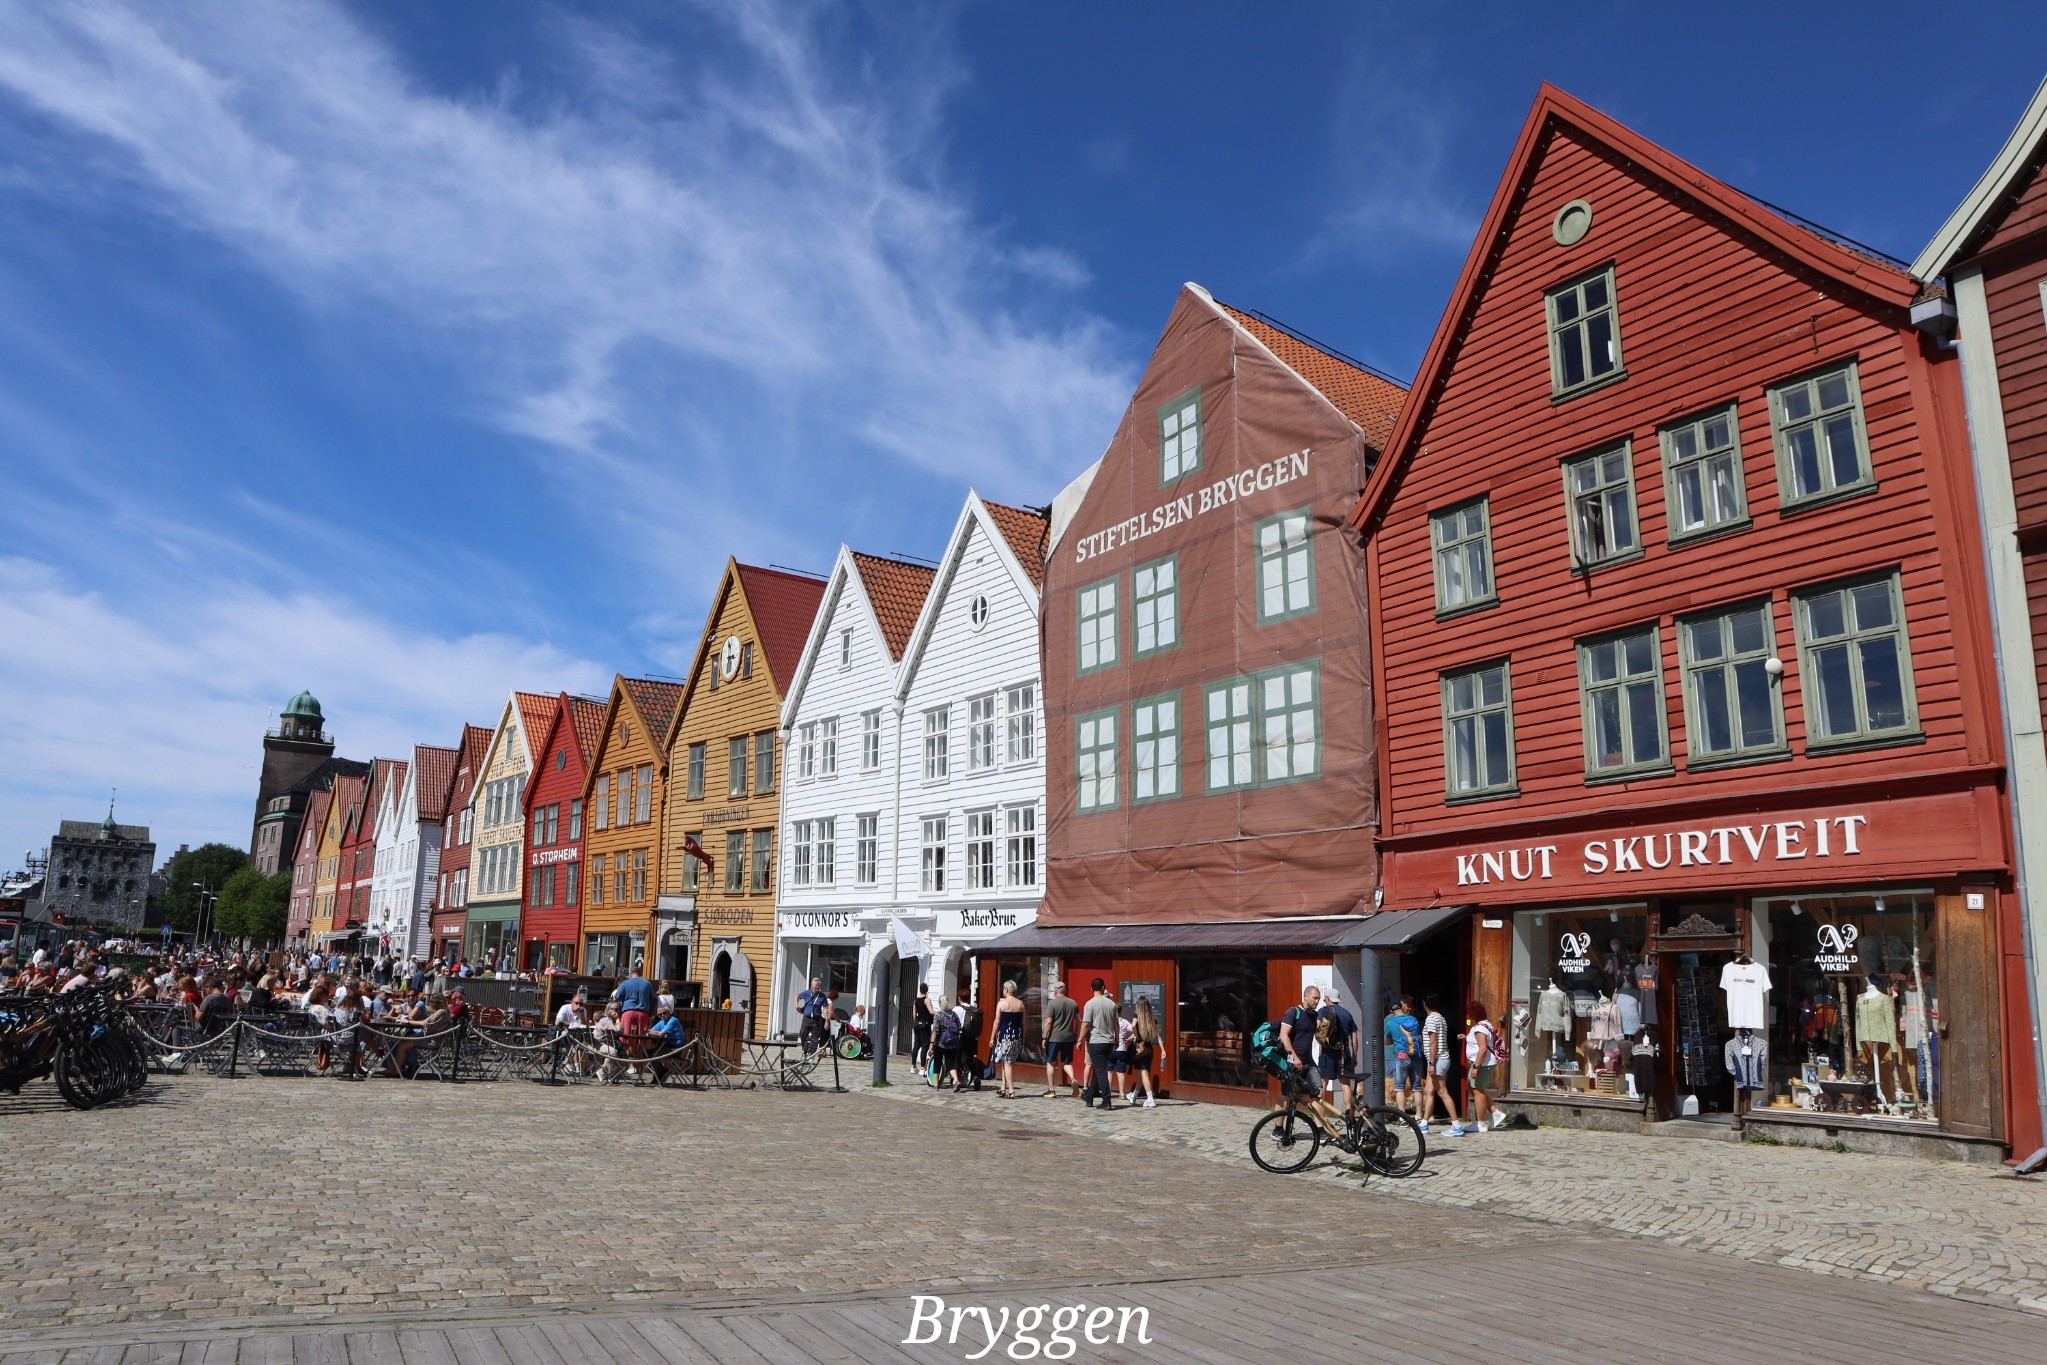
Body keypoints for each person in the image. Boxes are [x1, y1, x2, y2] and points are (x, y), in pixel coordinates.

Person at [1279, 986, 1335, 1121]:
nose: (1317, 1001)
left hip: (1308, 1061)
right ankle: (1278, 1128)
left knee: (1319, 1092)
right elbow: (1283, 1035)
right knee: (1287, 1095)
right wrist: (1294, 1057)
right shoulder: (1293, 1012)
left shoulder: (1314, 1015)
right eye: (1314, 998)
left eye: (1319, 999)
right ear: (1305, 996)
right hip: (1292, 1061)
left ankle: (1319, 1128)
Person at [1418, 993, 1465, 1136]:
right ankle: (1424, 1124)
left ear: (1424, 1004)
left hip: (1437, 1060)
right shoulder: (1441, 1018)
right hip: (1438, 1059)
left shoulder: (1431, 1019)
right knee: (1429, 1091)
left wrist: (1432, 1064)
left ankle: (1456, 1125)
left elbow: (1433, 1042)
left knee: (1442, 1092)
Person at [1464, 1001, 1506, 1131]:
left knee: (1478, 1091)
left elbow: (1483, 1048)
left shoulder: (1480, 1028)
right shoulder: (1485, 1025)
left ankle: (1480, 1123)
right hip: (1483, 1063)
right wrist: (1466, 1038)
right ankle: (1495, 1112)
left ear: (1473, 1014)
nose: (1468, 1015)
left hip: (1482, 1063)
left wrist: (1476, 1067)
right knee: (1473, 1087)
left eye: (1469, 1013)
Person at [1318, 986, 1361, 1113]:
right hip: (1344, 1053)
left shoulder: (1323, 1011)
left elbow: (1318, 1027)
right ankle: (1349, 1115)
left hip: (1327, 1053)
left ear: (1328, 999)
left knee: (1323, 1083)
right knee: (1345, 1084)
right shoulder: (1347, 1014)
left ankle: (1319, 1117)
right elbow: (1354, 1037)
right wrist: (1354, 1056)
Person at [1079, 979, 1118, 1109]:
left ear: (1091, 988)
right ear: (1103, 988)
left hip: (1096, 1041)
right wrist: (1117, 1039)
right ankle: (1089, 1097)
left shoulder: (1089, 1004)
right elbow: (1116, 1024)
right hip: (1109, 1041)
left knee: (1101, 1072)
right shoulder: (1111, 1004)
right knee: (1098, 1069)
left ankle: (1106, 1100)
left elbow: (1085, 1024)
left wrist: (1079, 1039)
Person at [1042, 980, 1079, 1098]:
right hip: (1068, 1037)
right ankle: (1073, 1079)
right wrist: (1076, 1035)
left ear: (1056, 990)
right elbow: (1079, 1020)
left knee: (1050, 1061)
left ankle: (1051, 1090)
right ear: (1065, 990)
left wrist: (1044, 1037)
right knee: (1066, 1062)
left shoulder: (1052, 1004)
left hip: (1054, 1037)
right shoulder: (1073, 1003)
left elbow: (1048, 1022)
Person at [1384, 995, 1420, 1115]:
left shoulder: (1391, 1021)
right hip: (1415, 1055)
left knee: (1399, 1087)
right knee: (1416, 1087)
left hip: (1400, 1056)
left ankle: (1401, 1116)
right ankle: (1418, 1115)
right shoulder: (1413, 1019)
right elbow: (1419, 1037)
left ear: (1391, 1010)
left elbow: (1386, 1041)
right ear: (1401, 1006)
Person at [990, 980, 1026, 1098]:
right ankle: (1002, 1087)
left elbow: (997, 1022)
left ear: (1006, 990)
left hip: (1005, 1035)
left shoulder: (1001, 1004)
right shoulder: (1021, 1004)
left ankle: (1011, 1091)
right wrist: (1024, 1037)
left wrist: (992, 1037)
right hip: (1016, 1035)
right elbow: (1024, 1023)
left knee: (1007, 1063)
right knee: (1006, 1061)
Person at [1129, 994, 1162, 1108]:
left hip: (1141, 1048)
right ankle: (1134, 1096)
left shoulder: (1137, 1015)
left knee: (1143, 1074)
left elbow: (1133, 1025)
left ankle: (1150, 1099)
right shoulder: (1152, 1019)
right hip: (1149, 1049)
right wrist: (1163, 1050)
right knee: (1140, 1075)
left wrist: (1136, 1037)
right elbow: (1158, 1036)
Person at [930, 996, 962, 1089]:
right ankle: (956, 1080)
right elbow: (959, 1027)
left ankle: (936, 1084)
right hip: (952, 1044)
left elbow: (935, 1031)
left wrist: (931, 1043)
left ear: (940, 1004)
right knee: (950, 1064)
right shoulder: (953, 1014)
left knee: (937, 1063)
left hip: (940, 1043)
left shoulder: (938, 1015)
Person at [794, 976, 830, 1055]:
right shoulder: (806, 993)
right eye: (816, 985)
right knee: (803, 1034)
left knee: (815, 1039)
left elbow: (825, 1009)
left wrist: (826, 1021)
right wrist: (796, 1006)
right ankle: (805, 1050)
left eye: (819, 985)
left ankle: (811, 1055)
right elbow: (797, 996)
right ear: (812, 985)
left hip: (816, 1020)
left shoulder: (822, 996)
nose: (817, 987)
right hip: (807, 1019)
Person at [912, 984, 934, 1072]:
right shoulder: (927, 1000)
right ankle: (922, 1067)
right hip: (925, 1025)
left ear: (920, 990)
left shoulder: (915, 1001)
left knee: (916, 1045)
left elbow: (914, 1014)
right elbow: (931, 1011)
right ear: (926, 990)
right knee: (924, 1046)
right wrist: (938, 1013)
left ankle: (913, 1066)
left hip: (917, 1024)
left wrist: (916, 1021)